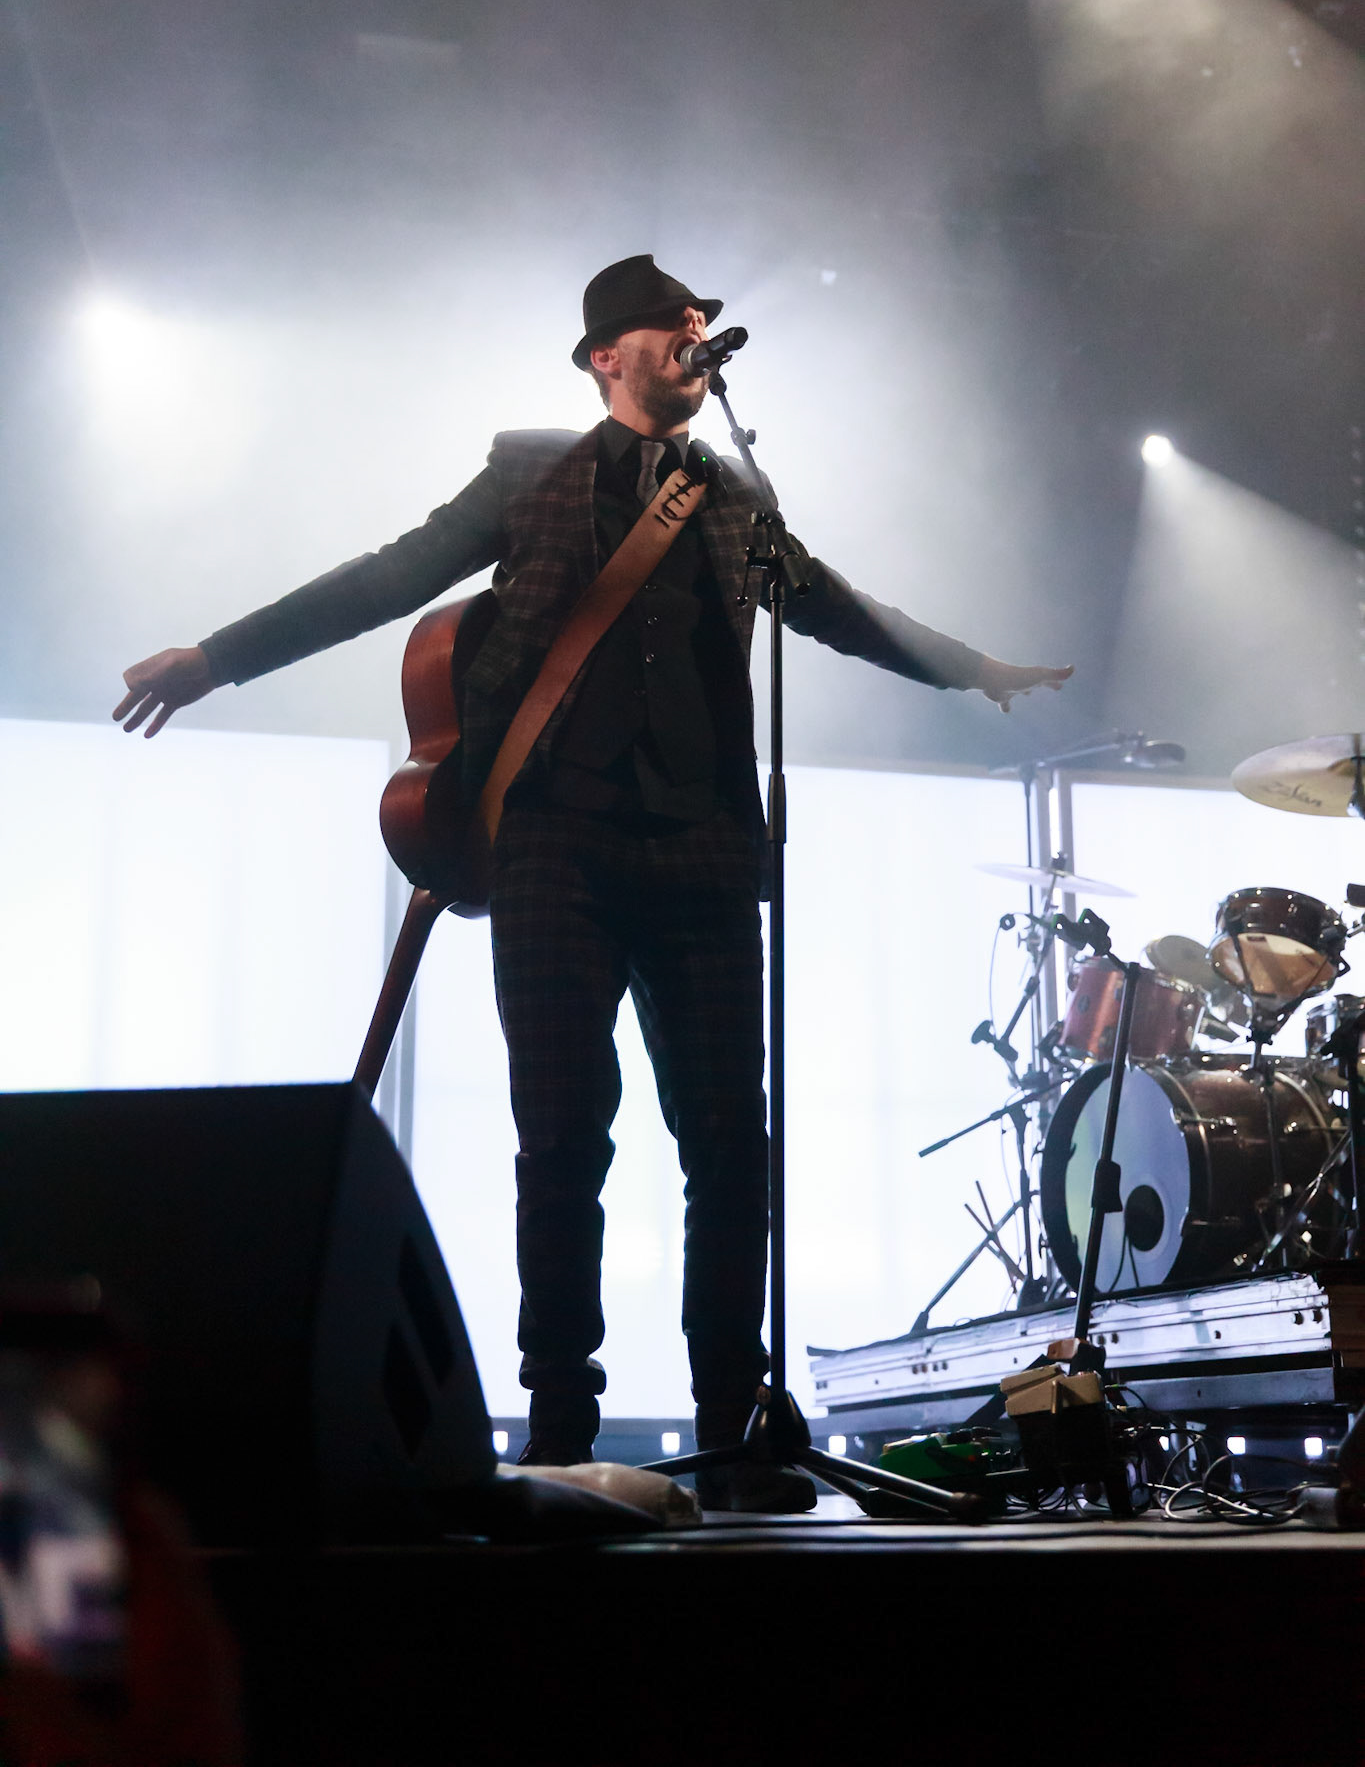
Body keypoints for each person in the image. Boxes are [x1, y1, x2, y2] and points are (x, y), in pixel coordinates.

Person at [114, 254, 1071, 1511]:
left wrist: (974, 669)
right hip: (555, 841)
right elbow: (385, 577)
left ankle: (733, 1425)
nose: (695, 332)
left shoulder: (734, 492)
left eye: (701, 319)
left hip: (706, 846)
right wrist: (216, 657)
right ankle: (560, 1428)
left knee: (730, 1139)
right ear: (604, 357)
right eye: (671, 322)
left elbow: (835, 609)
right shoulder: (529, 472)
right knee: (564, 1137)